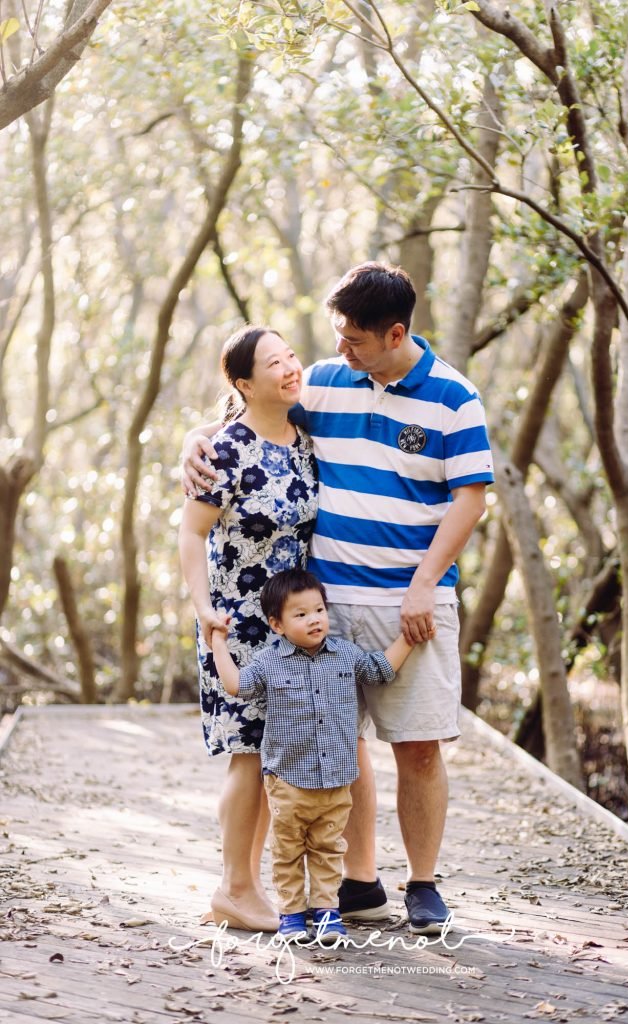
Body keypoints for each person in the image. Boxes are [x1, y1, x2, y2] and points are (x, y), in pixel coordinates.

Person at [183, 263, 494, 935]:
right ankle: (357, 882)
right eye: (335, 336)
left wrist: (423, 582)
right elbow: (249, 416)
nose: (337, 351)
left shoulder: (453, 397)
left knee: (417, 746)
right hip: (323, 604)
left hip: (412, 599)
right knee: (335, 744)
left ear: (395, 333)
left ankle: (422, 883)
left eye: (352, 339)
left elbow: (470, 497)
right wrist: (195, 439)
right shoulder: (327, 382)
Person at [178, 324, 318, 933]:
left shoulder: (303, 437)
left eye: (290, 355)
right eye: (273, 363)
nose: (290, 368)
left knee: (271, 760)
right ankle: (234, 887)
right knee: (248, 755)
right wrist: (204, 610)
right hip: (235, 624)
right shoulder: (226, 451)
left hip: (290, 628)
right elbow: (192, 531)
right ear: (243, 383)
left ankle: (247, 887)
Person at [210, 568, 419, 944]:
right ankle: (291, 913)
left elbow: (381, 670)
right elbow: (236, 686)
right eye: (301, 614)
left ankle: (326, 913)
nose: (314, 619)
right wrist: (219, 645)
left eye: (319, 610)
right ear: (277, 624)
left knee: (327, 850)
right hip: (288, 782)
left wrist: (408, 636)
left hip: (337, 781)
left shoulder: (345, 654)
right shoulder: (269, 662)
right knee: (288, 852)